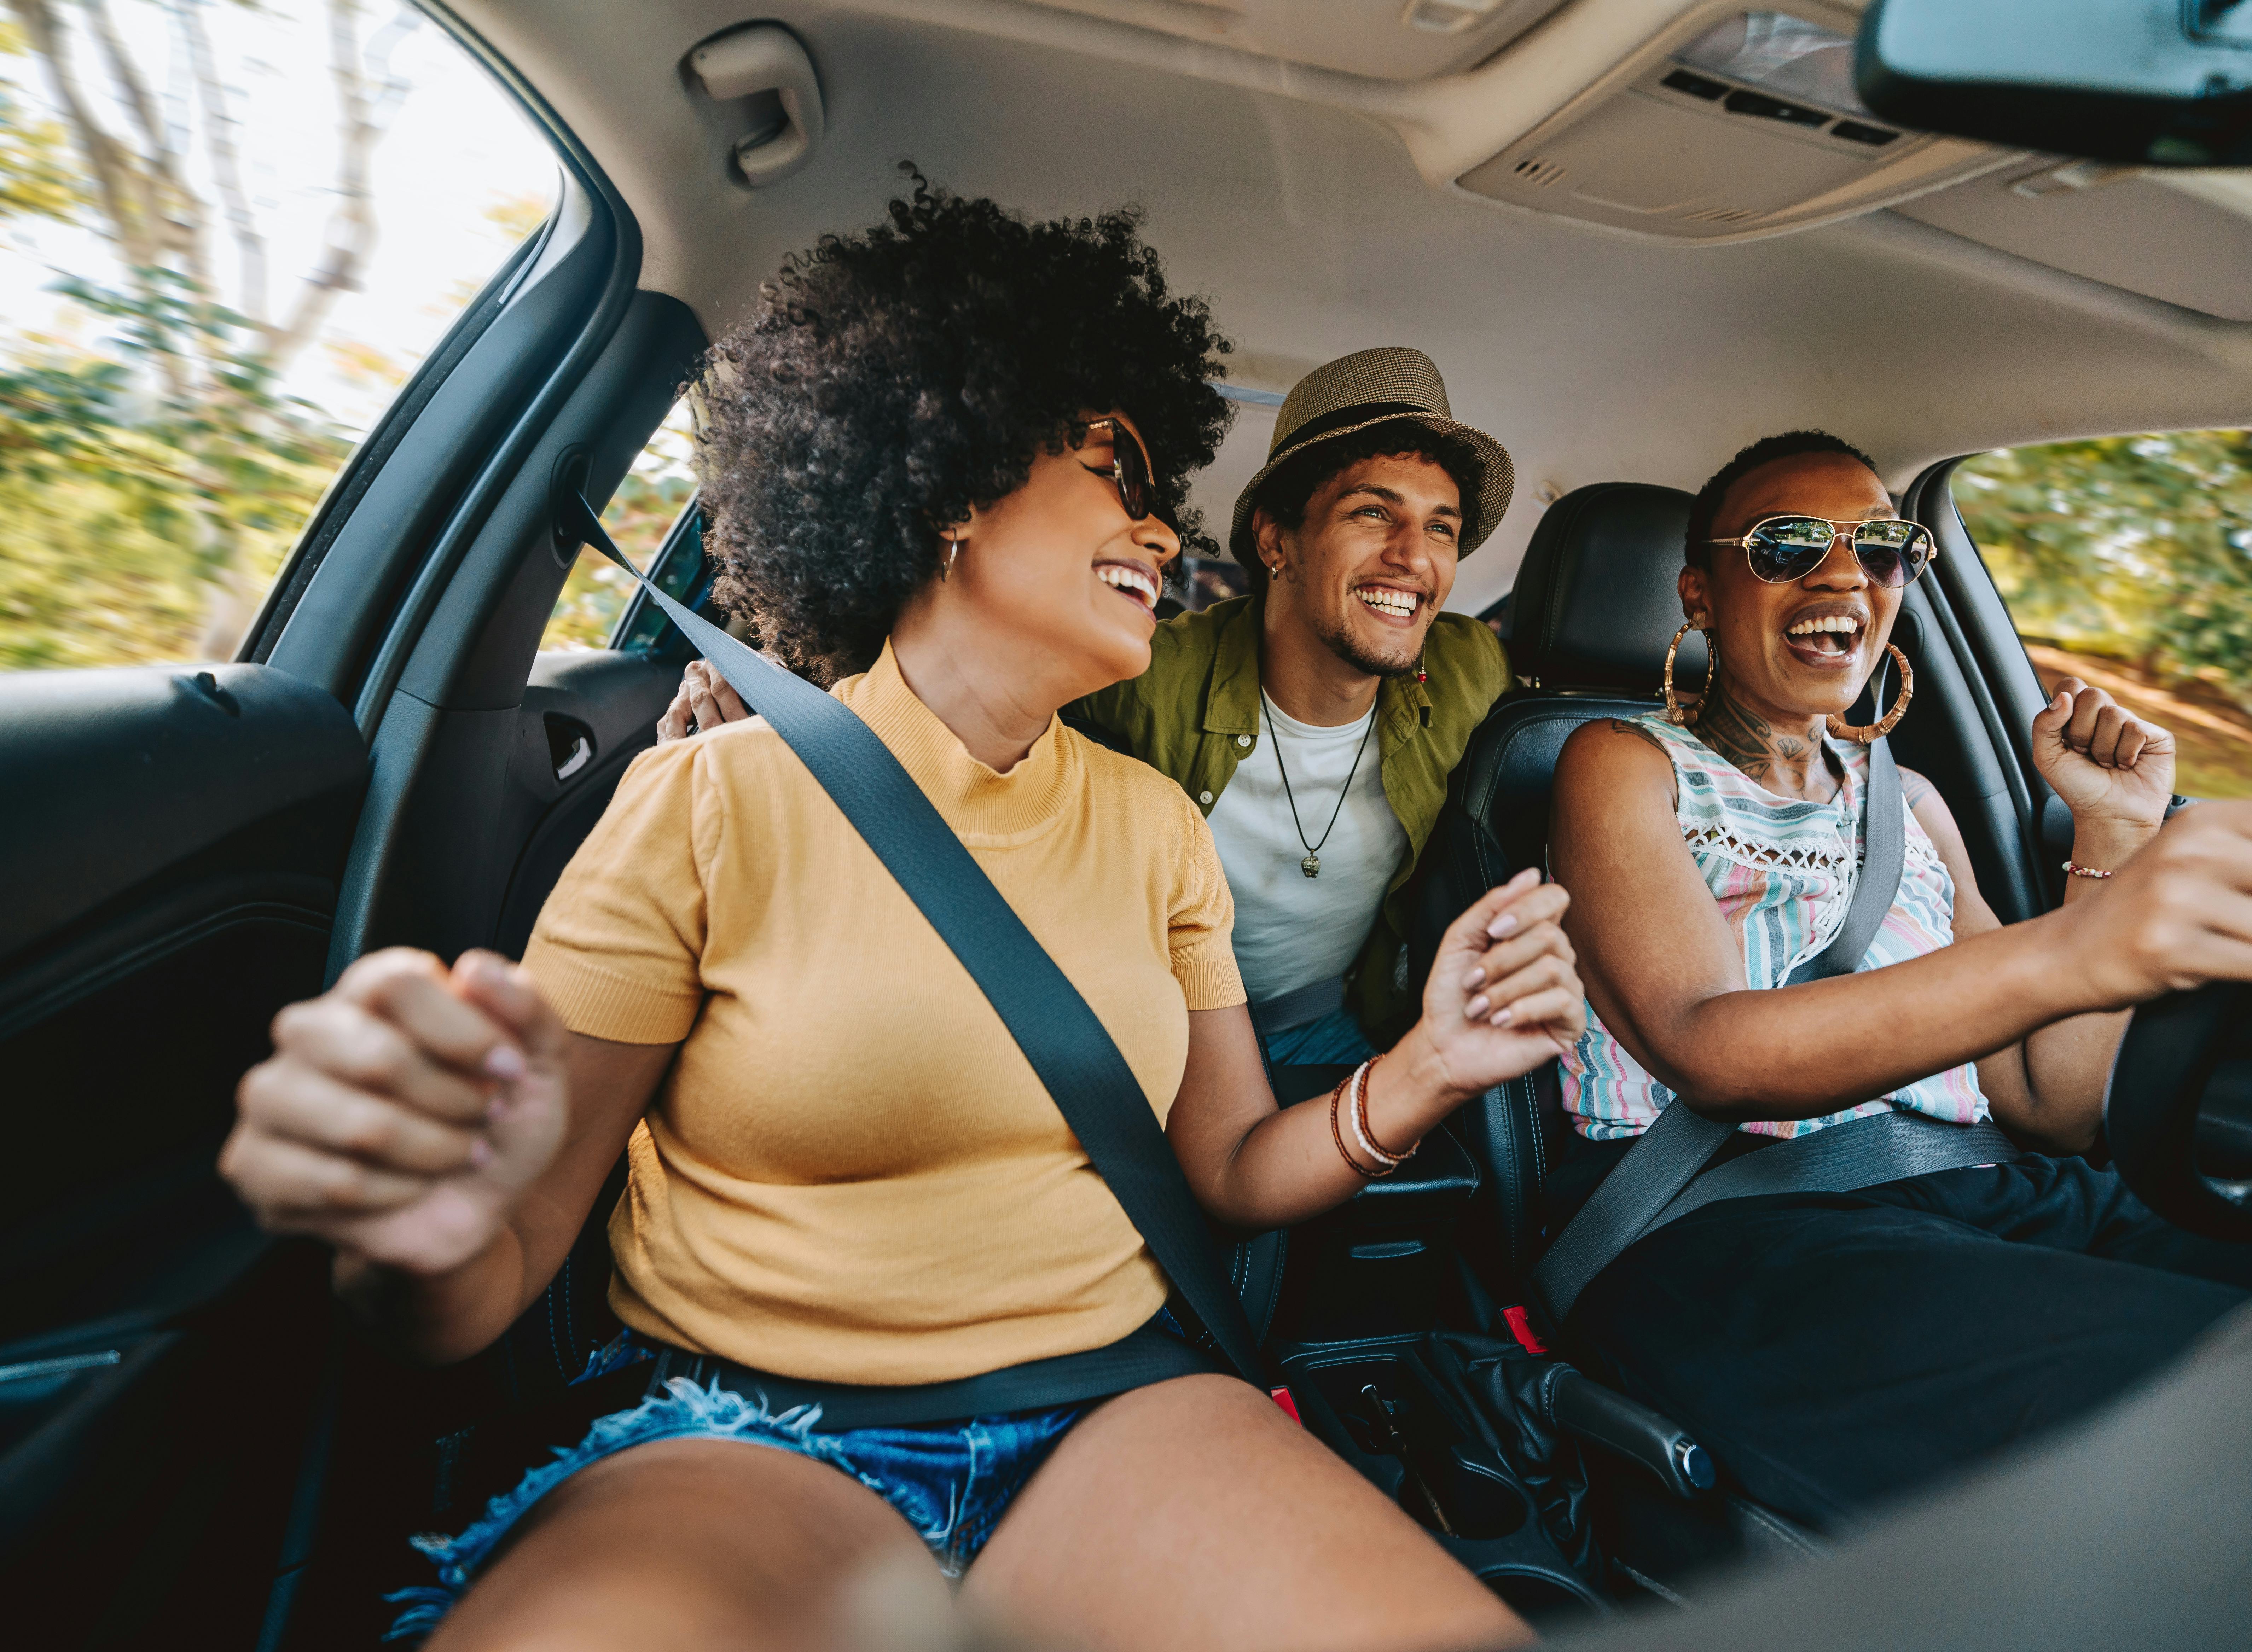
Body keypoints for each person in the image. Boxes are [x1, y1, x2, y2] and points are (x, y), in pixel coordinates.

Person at [217, 183, 1586, 1652]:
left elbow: (1237, 1170)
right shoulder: (709, 802)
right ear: (950, 489)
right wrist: (417, 1231)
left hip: (1110, 1406)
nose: (1154, 521)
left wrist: (1425, 1067)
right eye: (1113, 469)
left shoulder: (1155, 829)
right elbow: (495, 1265)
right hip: (748, 1430)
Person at [1547, 429, 2252, 1531]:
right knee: (2243, 1393)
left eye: (1881, 548)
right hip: (1743, 1228)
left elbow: (2047, 1103)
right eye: (1788, 545)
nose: (1842, 576)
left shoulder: (1911, 801)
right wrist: (2084, 949)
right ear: (1700, 593)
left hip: (1995, 1195)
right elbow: (1709, 1048)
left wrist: (2113, 836)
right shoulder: (1620, 763)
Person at [666, 347, 1519, 1069]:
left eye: (1441, 528)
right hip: (1149, 1032)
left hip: (1333, 1024)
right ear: (1274, 540)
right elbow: (970, 666)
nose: (1414, 557)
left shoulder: (1467, 669)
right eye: (1373, 512)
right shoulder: (1146, 669)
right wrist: (783, 690)